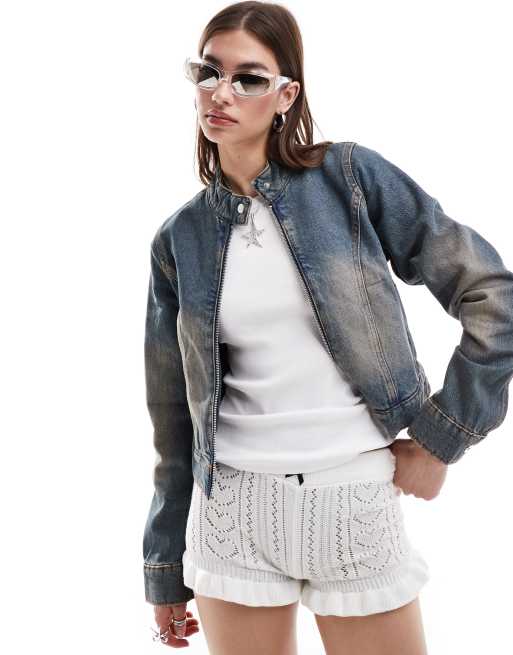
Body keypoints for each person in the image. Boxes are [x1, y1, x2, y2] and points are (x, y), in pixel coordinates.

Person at [143, 2, 513, 653]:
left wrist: (439, 438)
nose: (221, 93)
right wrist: (164, 561)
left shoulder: (349, 180)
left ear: (286, 95)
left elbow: (492, 296)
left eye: (248, 78)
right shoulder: (181, 237)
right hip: (231, 515)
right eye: (209, 72)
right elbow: (174, 413)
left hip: (351, 497)